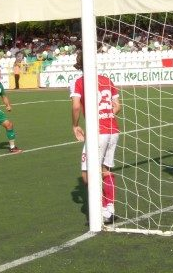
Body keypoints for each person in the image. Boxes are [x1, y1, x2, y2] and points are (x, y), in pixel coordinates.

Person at [70, 50, 120, 225]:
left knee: (86, 174)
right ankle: (109, 209)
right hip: (113, 130)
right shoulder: (107, 80)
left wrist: (75, 125)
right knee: (105, 169)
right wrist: (106, 114)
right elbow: (117, 106)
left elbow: (76, 106)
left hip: (98, 133)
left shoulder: (80, 82)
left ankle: (99, 210)